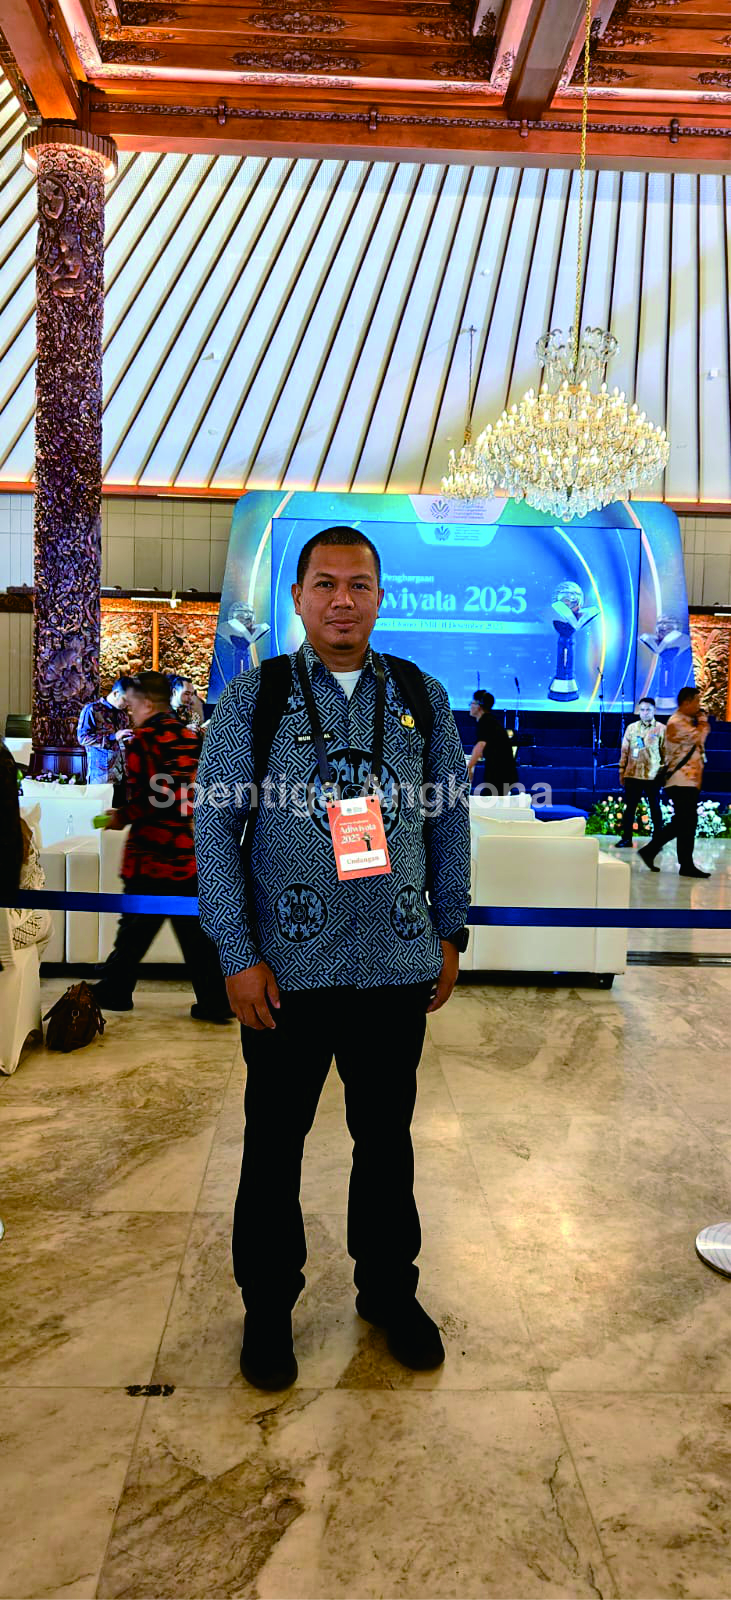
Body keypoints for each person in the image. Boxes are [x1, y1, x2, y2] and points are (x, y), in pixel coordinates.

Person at [195, 526, 472, 1392]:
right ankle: (268, 1306)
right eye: (324, 584)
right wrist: (236, 953)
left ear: (380, 596)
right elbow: (214, 826)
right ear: (299, 597)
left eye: (358, 584)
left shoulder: (419, 696)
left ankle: (389, 1292)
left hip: (395, 964)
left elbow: (448, 819)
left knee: (384, 1143)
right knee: (273, 1145)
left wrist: (450, 930)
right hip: (288, 971)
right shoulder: (257, 696)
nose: (341, 600)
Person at [92, 671, 232, 1019]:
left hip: (151, 852)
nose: (130, 712)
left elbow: (150, 800)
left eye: (132, 705)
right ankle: (215, 1000)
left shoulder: (143, 741)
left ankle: (116, 989)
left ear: (147, 703)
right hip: (185, 850)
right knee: (194, 932)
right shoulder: (189, 737)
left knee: (134, 926)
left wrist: (121, 817)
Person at [639, 686, 711, 878]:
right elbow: (699, 737)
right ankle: (665, 856)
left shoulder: (686, 721)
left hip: (689, 781)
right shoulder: (677, 722)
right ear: (686, 702)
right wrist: (703, 721)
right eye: (696, 702)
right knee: (684, 822)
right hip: (680, 780)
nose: (699, 706)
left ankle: (673, 859)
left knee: (685, 822)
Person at [615, 697, 665, 850]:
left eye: (648, 709)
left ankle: (657, 840)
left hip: (653, 775)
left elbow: (666, 752)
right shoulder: (631, 728)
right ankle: (626, 838)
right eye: (642, 710)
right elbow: (624, 751)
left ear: (654, 710)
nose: (645, 713)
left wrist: (664, 774)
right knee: (630, 808)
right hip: (633, 774)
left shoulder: (661, 729)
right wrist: (621, 770)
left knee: (655, 808)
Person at [77, 678, 134, 791]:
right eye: (126, 700)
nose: (127, 704)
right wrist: (113, 737)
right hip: (101, 777)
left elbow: (122, 741)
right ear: (116, 693)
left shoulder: (123, 715)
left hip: (122, 774)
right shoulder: (92, 710)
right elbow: (82, 738)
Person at [466, 690, 517, 793]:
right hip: (503, 772)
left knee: (489, 800)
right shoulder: (490, 721)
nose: (470, 706)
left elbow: (480, 745)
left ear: (479, 706)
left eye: (472, 703)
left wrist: (469, 767)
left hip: (499, 773)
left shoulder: (485, 721)